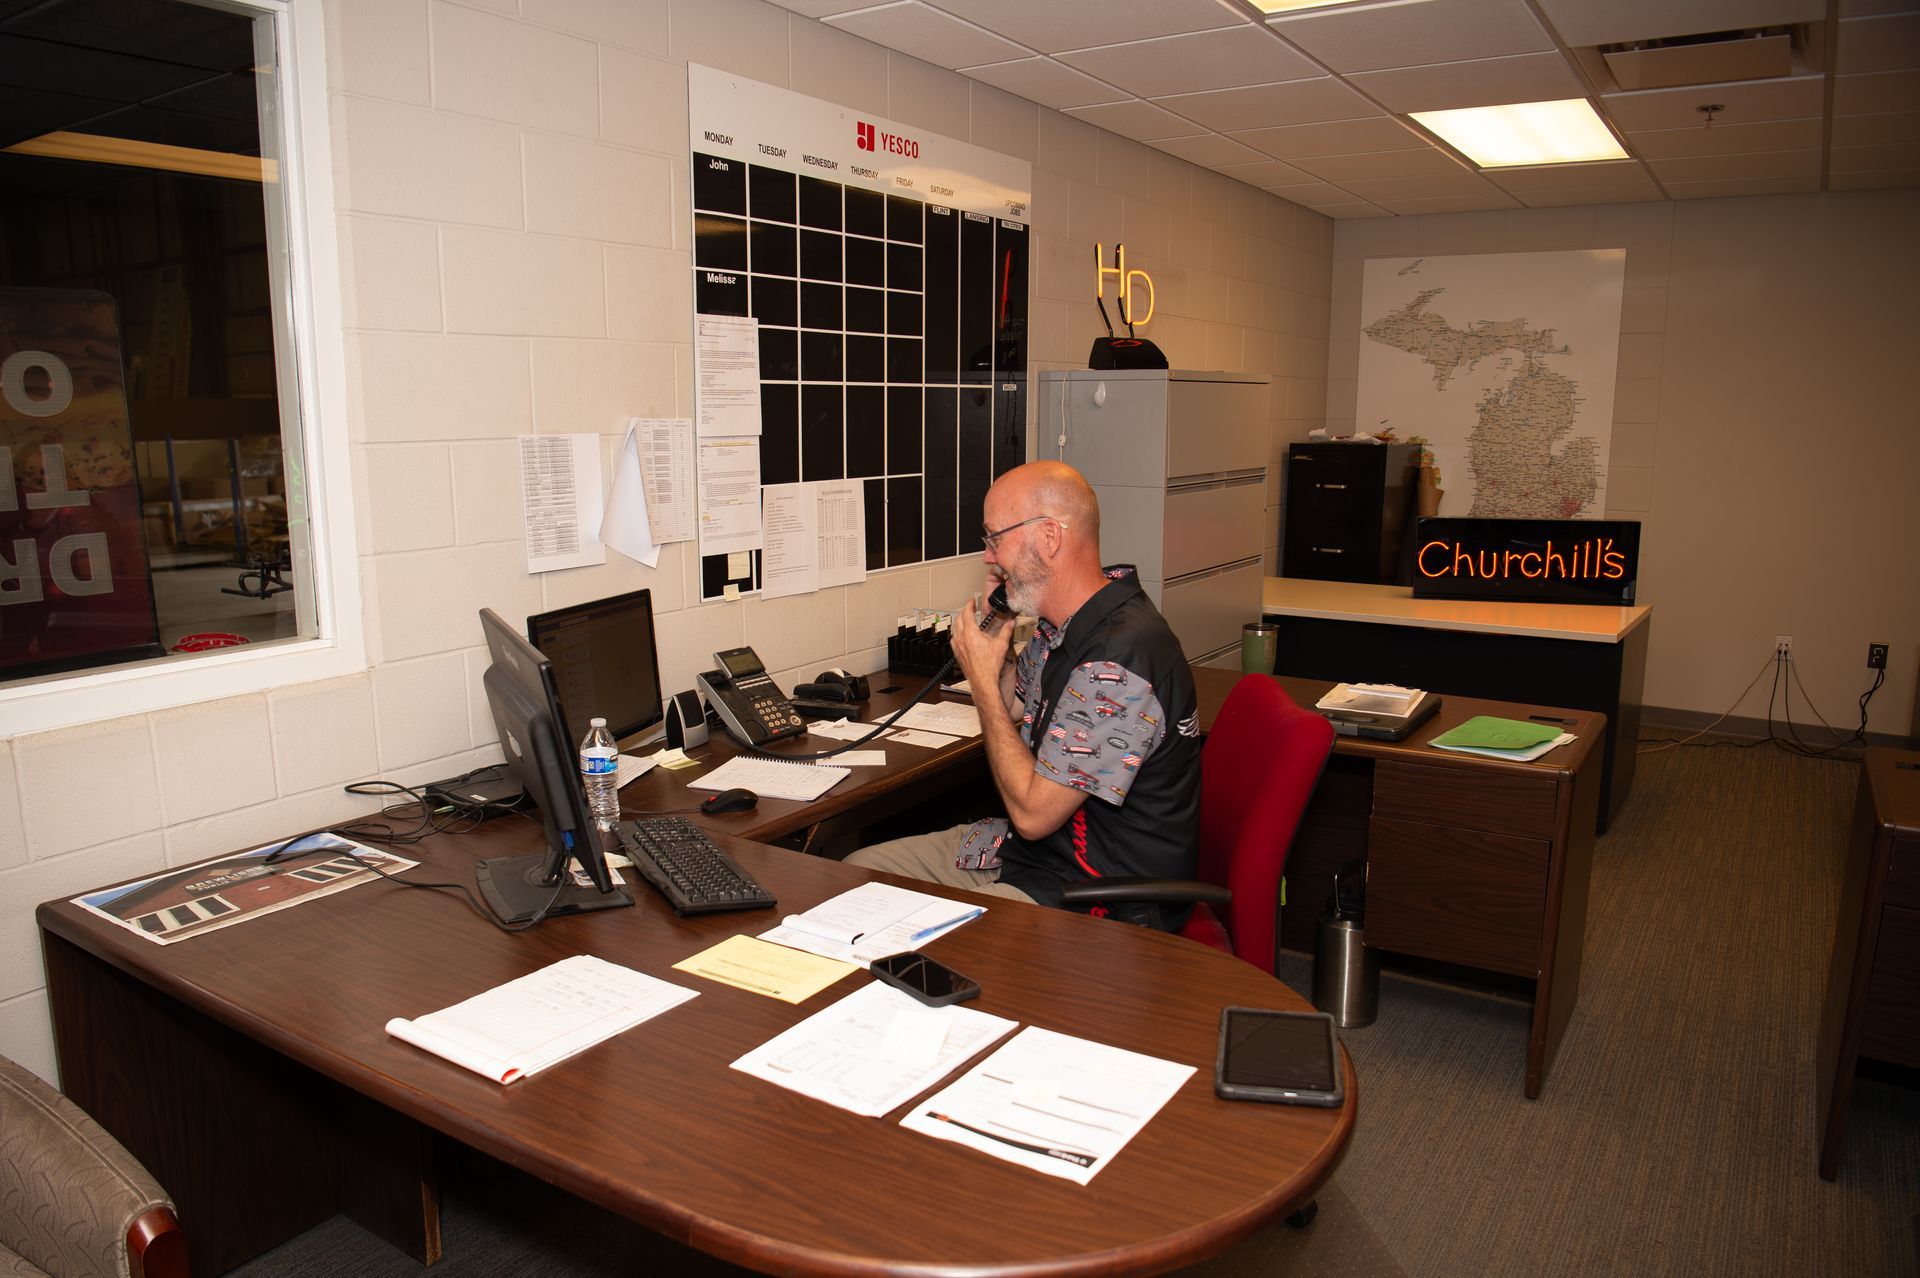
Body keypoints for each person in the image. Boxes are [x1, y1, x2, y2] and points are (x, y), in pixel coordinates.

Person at [846, 460, 1201, 931]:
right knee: (853, 879)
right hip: (1031, 854)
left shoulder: (1117, 662)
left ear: (1049, 538)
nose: (987, 557)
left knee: (925, 937)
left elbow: (1033, 814)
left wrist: (979, 681)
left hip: (1096, 892)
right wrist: (996, 640)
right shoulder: (1068, 623)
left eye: (995, 539)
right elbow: (1017, 700)